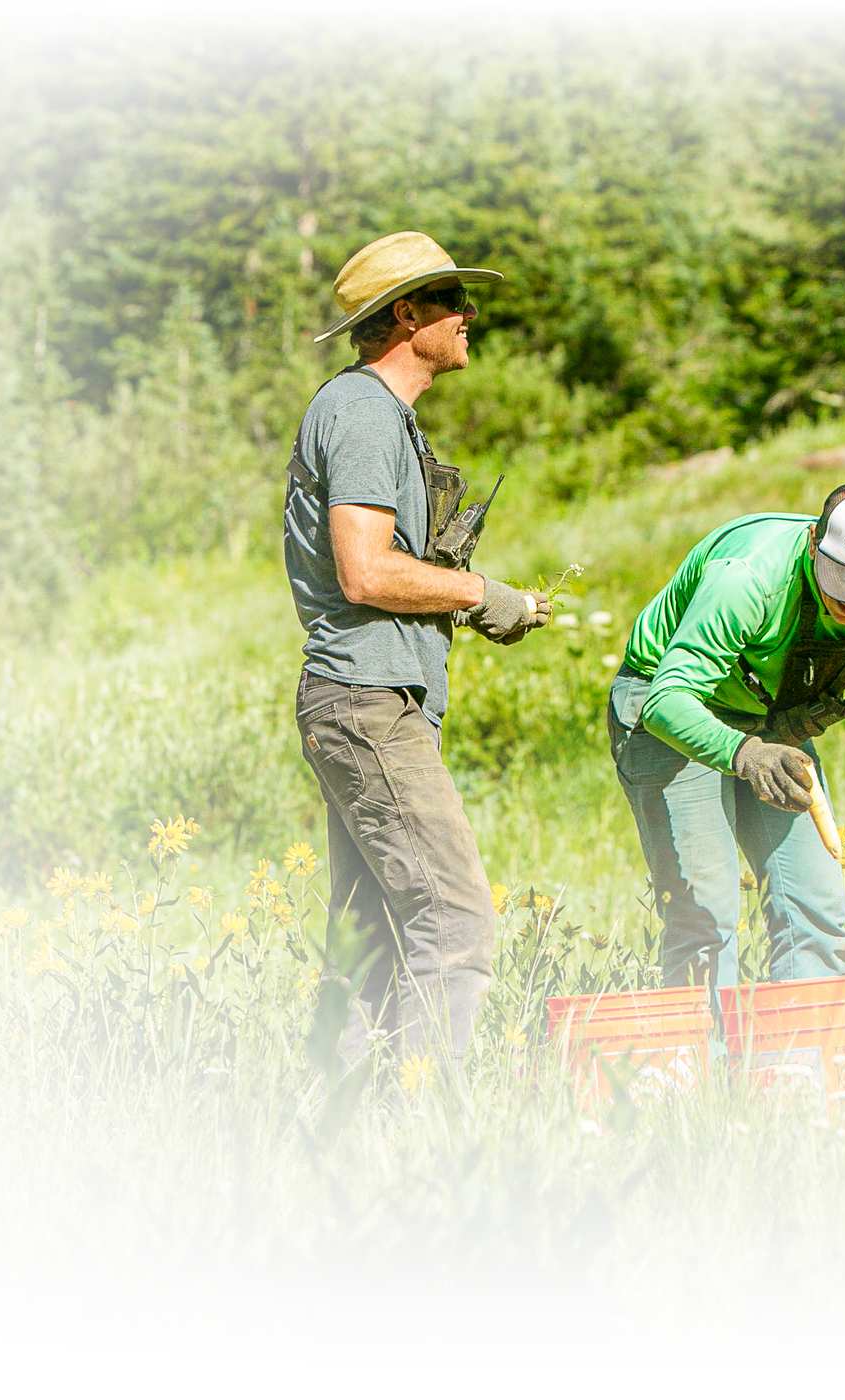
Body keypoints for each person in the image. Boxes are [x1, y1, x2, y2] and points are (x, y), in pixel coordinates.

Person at [282, 231, 551, 1063]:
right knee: (454, 919)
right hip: (367, 703)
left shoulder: (379, 415)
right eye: (452, 301)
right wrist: (482, 594)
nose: (470, 316)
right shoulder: (361, 410)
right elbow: (364, 571)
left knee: (370, 941)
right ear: (406, 314)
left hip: (371, 699)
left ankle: (340, 1133)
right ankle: (429, 1126)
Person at [607, 482, 845, 997]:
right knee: (706, 919)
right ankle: (702, 1074)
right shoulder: (749, 578)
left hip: (770, 726)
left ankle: (797, 1072)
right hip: (670, 710)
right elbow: (667, 700)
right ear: (813, 545)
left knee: (818, 915)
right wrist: (745, 754)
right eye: (842, 583)